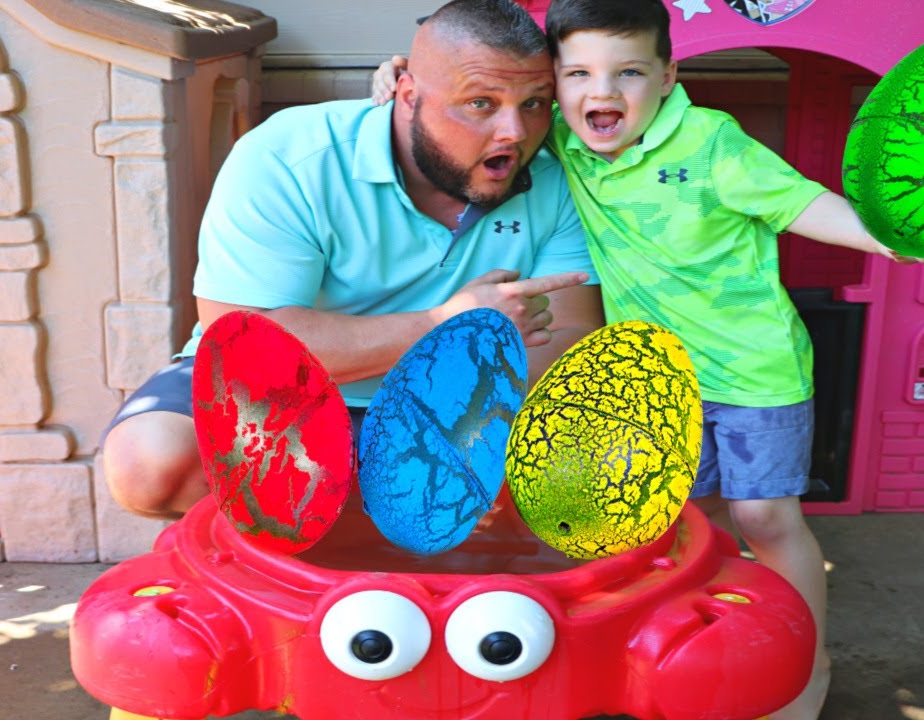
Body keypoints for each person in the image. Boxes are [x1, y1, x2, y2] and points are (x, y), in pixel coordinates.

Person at [371, 1, 924, 717]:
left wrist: (884, 237)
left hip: (756, 374)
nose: (601, 93)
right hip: (662, 385)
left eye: (627, 72)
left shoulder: (711, 142)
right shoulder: (565, 146)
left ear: (666, 75)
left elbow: (798, 202)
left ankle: (803, 660)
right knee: (691, 526)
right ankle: (711, 655)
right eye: (578, 75)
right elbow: (468, 121)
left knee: (764, 519)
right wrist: (393, 79)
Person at [101, 0, 603, 524]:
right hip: (277, 396)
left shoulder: (554, 176)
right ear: (408, 96)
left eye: (534, 104)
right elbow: (250, 348)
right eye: (480, 103)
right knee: (150, 461)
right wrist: (449, 331)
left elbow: (569, 334)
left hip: (459, 401)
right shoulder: (288, 157)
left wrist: (464, 420)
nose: (515, 132)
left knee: (583, 464)